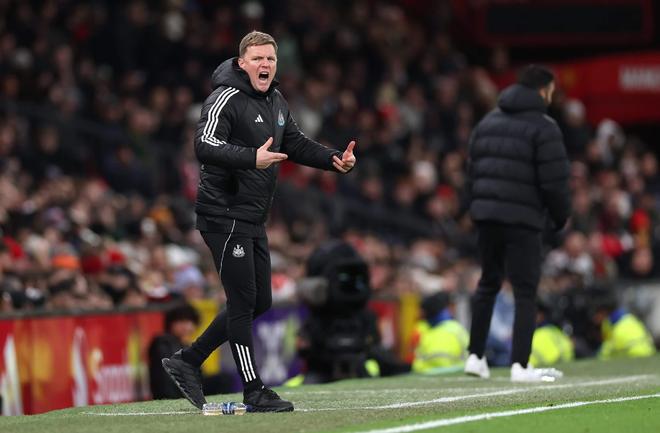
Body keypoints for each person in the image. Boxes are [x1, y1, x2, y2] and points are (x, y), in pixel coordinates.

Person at [161, 31, 356, 413]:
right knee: (242, 301)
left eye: (270, 59)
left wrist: (333, 158)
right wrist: (252, 157)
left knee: (260, 301)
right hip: (223, 213)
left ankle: (188, 360)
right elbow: (204, 144)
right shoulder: (225, 97)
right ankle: (253, 389)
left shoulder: (276, 101)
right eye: (257, 59)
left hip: (252, 216)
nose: (265, 65)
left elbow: (294, 142)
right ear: (241, 63)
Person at [463, 65, 571, 382]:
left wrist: (476, 208)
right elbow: (554, 181)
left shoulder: (487, 122)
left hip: (486, 216)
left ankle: (475, 357)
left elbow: (471, 171)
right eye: (551, 91)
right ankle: (520, 365)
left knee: (488, 283)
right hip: (522, 219)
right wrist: (560, 217)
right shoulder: (544, 127)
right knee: (525, 290)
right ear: (543, 90)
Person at [412, 292, 469, 373]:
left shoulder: (419, 328)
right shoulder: (457, 328)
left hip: (425, 372)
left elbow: (413, 353)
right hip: (457, 370)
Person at [529, 300, 574, 367]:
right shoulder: (550, 329)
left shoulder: (543, 332)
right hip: (565, 360)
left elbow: (554, 357)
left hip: (556, 362)